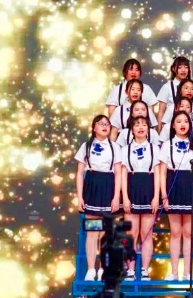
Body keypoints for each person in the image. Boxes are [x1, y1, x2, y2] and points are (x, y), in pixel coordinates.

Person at [158, 111, 193, 281]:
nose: (182, 124)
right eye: (178, 121)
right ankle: (173, 272)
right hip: (174, 186)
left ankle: (187, 273)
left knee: (188, 232)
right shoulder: (167, 145)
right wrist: (164, 195)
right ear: (173, 125)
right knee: (175, 232)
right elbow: (162, 172)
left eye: (185, 121)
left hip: (191, 186)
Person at [75, 115, 122, 281]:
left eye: (107, 124)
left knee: (105, 232)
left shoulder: (115, 147)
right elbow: (80, 173)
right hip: (92, 186)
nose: (104, 126)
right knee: (92, 231)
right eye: (100, 124)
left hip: (108, 186)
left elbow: (118, 173)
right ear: (94, 127)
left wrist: (116, 196)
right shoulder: (86, 146)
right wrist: (80, 196)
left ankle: (103, 268)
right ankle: (90, 269)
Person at [120, 116, 160, 281]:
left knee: (147, 233)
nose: (141, 127)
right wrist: (125, 197)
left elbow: (158, 174)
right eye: (137, 125)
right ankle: (130, 269)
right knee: (131, 233)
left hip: (149, 187)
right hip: (132, 187)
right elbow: (123, 175)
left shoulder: (155, 149)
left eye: (144, 124)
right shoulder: (125, 149)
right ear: (132, 129)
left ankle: (144, 269)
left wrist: (156, 196)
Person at [157, 56, 193, 129]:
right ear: (173, 69)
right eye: (180, 67)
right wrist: (160, 131)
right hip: (171, 126)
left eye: (186, 67)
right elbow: (161, 111)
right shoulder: (167, 87)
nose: (183, 70)